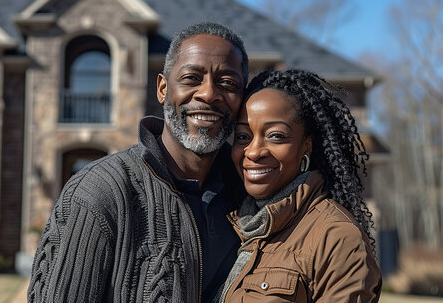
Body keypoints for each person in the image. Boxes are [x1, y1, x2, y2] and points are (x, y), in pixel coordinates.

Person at [27, 22, 249, 302]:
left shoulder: (248, 197)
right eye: (192, 78)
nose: (208, 94)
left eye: (228, 83)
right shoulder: (99, 191)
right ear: (163, 88)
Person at [217, 69, 382, 302]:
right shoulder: (236, 225)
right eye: (243, 136)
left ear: (307, 146)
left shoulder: (337, 238)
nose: (253, 151)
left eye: (275, 136)